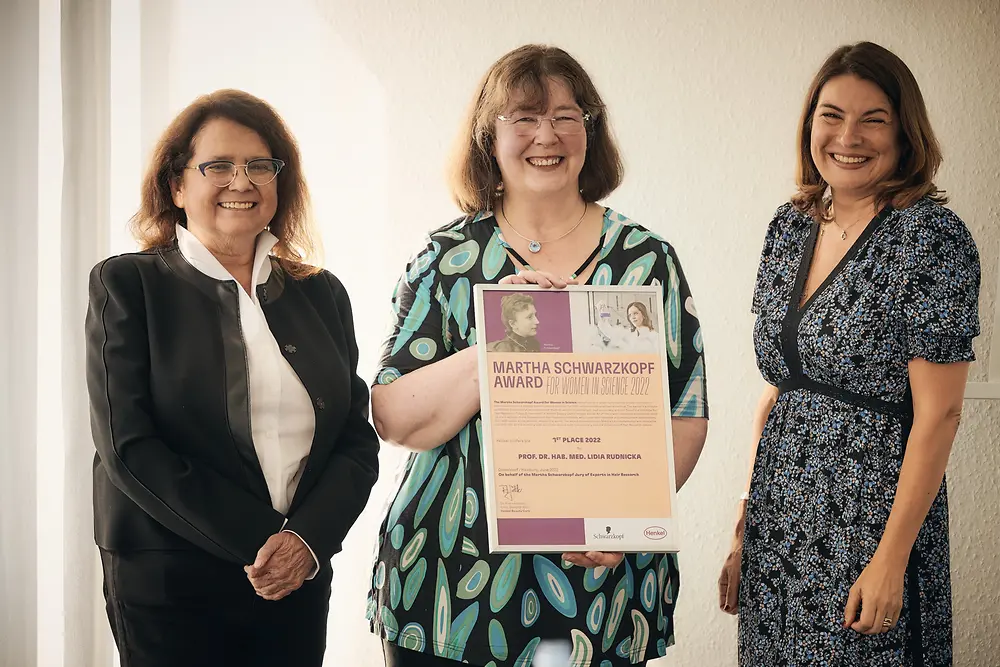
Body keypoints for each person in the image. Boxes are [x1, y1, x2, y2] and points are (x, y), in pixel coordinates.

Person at [368, 44, 709, 667]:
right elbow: (393, 416)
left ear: (590, 130)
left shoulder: (646, 260)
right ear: (487, 137)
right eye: (523, 117)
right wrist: (503, 344)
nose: (545, 135)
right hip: (450, 580)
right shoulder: (447, 258)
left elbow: (684, 414)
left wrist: (624, 523)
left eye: (566, 115)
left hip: (601, 583)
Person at [85, 89, 380, 667]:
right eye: (217, 165)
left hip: (297, 575)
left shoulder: (321, 292)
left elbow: (354, 437)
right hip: (170, 582)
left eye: (260, 165)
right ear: (176, 186)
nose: (241, 181)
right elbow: (128, 447)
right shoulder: (128, 285)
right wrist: (264, 543)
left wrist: (306, 542)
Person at [718, 42, 980, 666]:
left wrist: (891, 561)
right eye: (831, 115)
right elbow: (777, 388)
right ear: (810, 122)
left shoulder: (931, 240)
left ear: (905, 131)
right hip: (779, 524)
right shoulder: (789, 226)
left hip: (868, 524)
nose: (848, 136)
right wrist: (741, 528)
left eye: (874, 119)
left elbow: (939, 416)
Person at [594, 300, 658, 353]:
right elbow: (609, 331)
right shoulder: (629, 334)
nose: (632, 317)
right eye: (630, 315)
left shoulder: (654, 336)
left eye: (635, 313)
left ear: (643, 315)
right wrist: (602, 312)